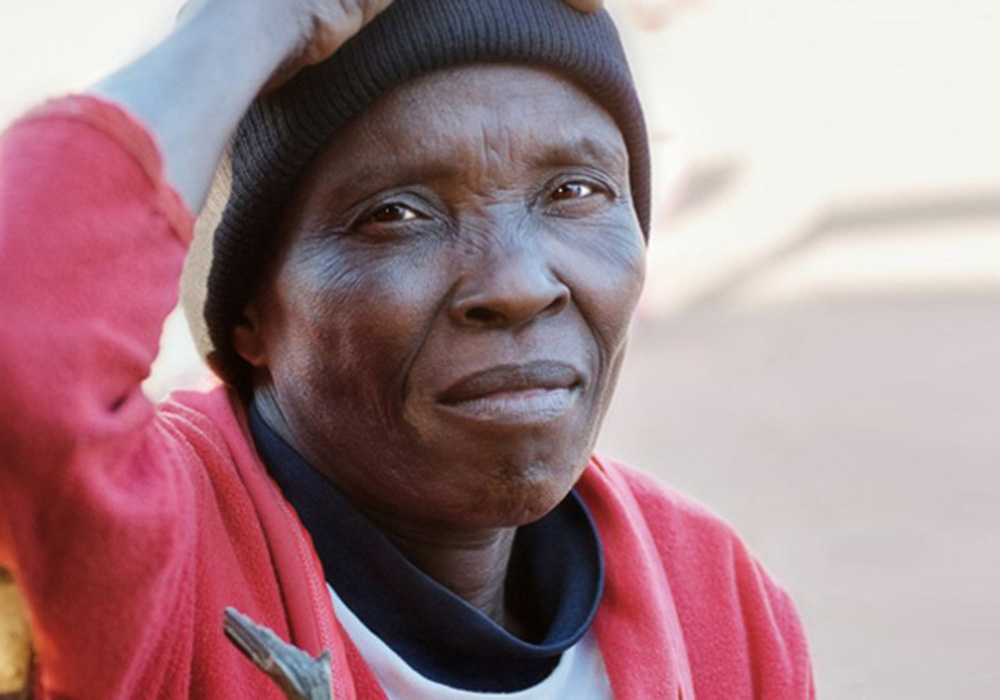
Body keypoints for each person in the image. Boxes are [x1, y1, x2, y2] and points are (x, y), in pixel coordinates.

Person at [0, 0, 814, 697]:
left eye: (574, 192)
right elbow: (24, 360)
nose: (520, 283)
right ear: (250, 314)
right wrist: (245, 26)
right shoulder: (169, 566)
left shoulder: (713, 599)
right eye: (397, 213)